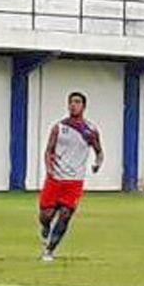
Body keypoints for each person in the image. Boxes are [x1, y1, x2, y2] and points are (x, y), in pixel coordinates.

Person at [39, 91, 104, 262]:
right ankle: (45, 227)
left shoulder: (90, 130)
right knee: (46, 215)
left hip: (75, 180)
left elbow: (99, 151)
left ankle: (50, 250)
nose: (74, 105)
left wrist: (97, 163)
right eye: (71, 102)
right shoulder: (59, 127)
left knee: (66, 214)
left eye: (77, 102)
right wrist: (48, 168)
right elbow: (48, 151)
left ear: (84, 106)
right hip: (55, 178)